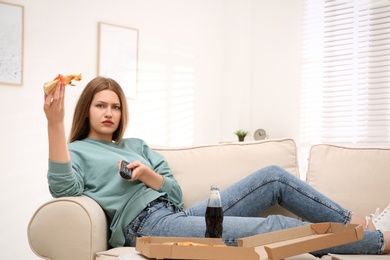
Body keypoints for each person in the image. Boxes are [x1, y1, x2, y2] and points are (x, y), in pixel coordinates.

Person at [44, 76, 390, 256]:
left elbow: (175, 193)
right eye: (101, 105)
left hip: (175, 216)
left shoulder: (137, 147)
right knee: (276, 227)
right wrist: (54, 123)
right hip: (144, 227)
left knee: (272, 177)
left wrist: (149, 175)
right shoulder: (76, 150)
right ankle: (379, 242)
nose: (109, 113)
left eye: (115, 107)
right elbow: (64, 189)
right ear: (86, 110)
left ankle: (354, 223)